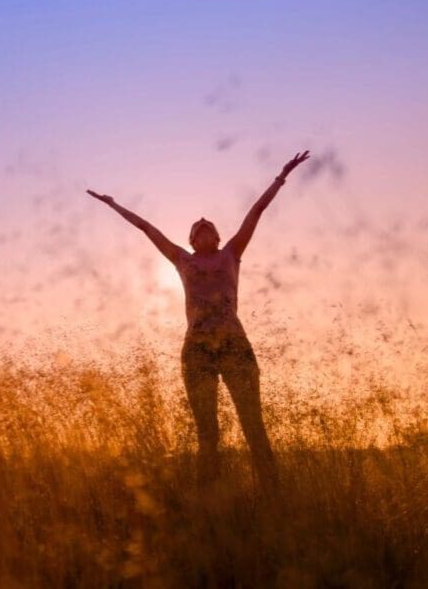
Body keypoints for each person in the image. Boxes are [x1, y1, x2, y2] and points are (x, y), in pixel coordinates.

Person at [87, 151, 310, 491]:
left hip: (235, 345)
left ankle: (272, 493)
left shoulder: (232, 253)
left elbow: (256, 211)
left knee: (254, 426)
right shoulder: (181, 260)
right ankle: (209, 499)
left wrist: (281, 176)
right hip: (197, 349)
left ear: (217, 237)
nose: (203, 229)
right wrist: (112, 204)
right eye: (197, 229)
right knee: (208, 433)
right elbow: (147, 227)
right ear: (191, 240)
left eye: (209, 228)